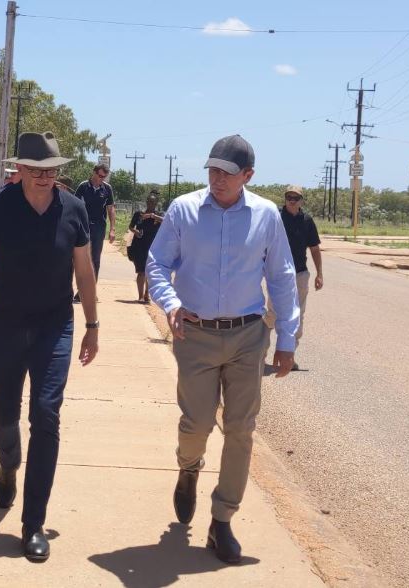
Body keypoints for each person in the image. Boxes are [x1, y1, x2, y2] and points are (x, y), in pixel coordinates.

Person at [146, 134, 299, 564]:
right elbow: (157, 263)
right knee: (196, 425)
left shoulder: (267, 215)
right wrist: (171, 303)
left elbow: (283, 277)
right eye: (212, 170)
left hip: (248, 335)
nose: (216, 179)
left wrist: (287, 339)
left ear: (247, 176)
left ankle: (222, 520)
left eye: (226, 173)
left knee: (241, 428)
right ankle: (188, 467)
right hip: (194, 335)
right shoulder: (184, 210)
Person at [0, 131, 99, 562]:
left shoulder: (74, 209)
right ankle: (8, 465)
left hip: (54, 325)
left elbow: (85, 272)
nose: (44, 177)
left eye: (52, 170)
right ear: (18, 169)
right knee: (3, 414)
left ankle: (32, 522)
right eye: (36, 169)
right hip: (4, 324)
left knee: (46, 413)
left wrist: (93, 324)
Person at [264, 185, 323, 370]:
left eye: (295, 197)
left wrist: (319, 273)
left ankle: (290, 356)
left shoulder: (307, 221)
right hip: (278, 274)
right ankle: (260, 352)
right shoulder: (276, 218)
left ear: (301, 201)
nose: (291, 200)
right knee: (272, 314)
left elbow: (314, 248)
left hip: (300, 274)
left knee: (297, 316)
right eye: (289, 197)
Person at [74, 163, 116, 295]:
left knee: (95, 259)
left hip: (99, 228)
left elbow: (111, 209)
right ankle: (80, 290)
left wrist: (112, 229)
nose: (101, 179)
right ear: (94, 172)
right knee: (81, 258)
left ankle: (90, 291)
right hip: (83, 227)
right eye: (100, 175)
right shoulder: (83, 186)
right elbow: (74, 206)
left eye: (104, 177)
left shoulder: (107, 189)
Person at [128, 189, 163, 303]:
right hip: (139, 246)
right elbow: (131, 227)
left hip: (154, 247)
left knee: (150, 272)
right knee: (141, 271)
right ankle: (140, 296)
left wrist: (152, 216)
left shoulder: (159, 215)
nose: (150, 204)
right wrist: (136, 232)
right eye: (148, 201)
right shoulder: (139, 214)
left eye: (152, 202)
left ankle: (147, 294)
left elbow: (166, 221)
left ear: (156, 203)